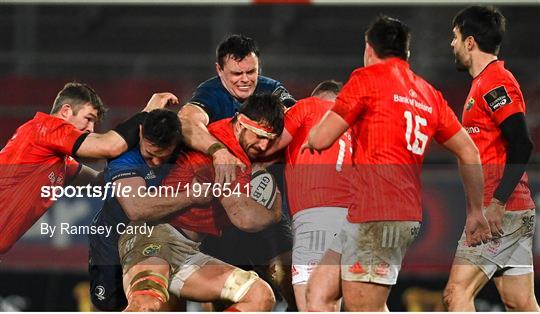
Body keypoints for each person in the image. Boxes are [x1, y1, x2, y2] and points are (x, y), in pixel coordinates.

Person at [303, 15, 491, 311]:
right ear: (407, 53)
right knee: (319, 294)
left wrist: (311, 136)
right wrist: (476, 211)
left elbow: (321, 138)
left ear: (368, 49)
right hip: (382, 213)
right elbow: (470, 152)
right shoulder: (429, 94)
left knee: (364, 308)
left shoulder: (366, 79)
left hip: (377, 217)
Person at [117, 93, 285, 312]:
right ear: (241, 122)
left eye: (270, 139)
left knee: (259, 296)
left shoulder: (218, 140)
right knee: (146, 303)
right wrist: (275, 212)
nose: (263, 146)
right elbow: (245, 219)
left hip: (187, 250)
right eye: (259, 135)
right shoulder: (228, 155)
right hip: (155, 235)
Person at [178, 34, 296, 308]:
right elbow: (186, 123)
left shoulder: (273, 92)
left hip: (265, 196)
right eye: (236, 73)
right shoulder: (210, 94)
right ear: (220, 71)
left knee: (289, 273)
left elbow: (296, 123)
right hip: (223, 205)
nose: (245, 79)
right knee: (229, 290)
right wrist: (218, 151)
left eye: (251, 72)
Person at [0, 82, 177, 254]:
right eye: (88, 119)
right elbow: (110, 145)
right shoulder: (45, 128)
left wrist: (144, 164)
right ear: (66, 111)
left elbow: (99, 182)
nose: (91, 129)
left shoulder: (57, 160)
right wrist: (148, 113)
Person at [443, 6, 538, 311]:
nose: (452, 44)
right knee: (519, 302)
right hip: (509, 210)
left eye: (455, 37)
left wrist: (496, 203)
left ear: (470, 41)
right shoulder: (484, 82)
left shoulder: (495, 82)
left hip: (499, 212)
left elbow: (522, 143)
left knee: (456, 293)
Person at [89, 108, 209, 311]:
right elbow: (137, 209)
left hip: (159, 244)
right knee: (110, 307)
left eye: (163, 157)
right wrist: (192, 196)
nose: (155, 163)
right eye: (150, 154)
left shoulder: (185, 148)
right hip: (112, 245)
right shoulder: (124, 156)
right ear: (141, 132)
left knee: (166, 304)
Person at [264, 80, 352, 311]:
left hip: (317, 218)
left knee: (313, 307)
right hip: (354, 221)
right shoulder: (356, 124)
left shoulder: (307, 107)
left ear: (318, 96)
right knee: (332, 305)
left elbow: (267, 148)